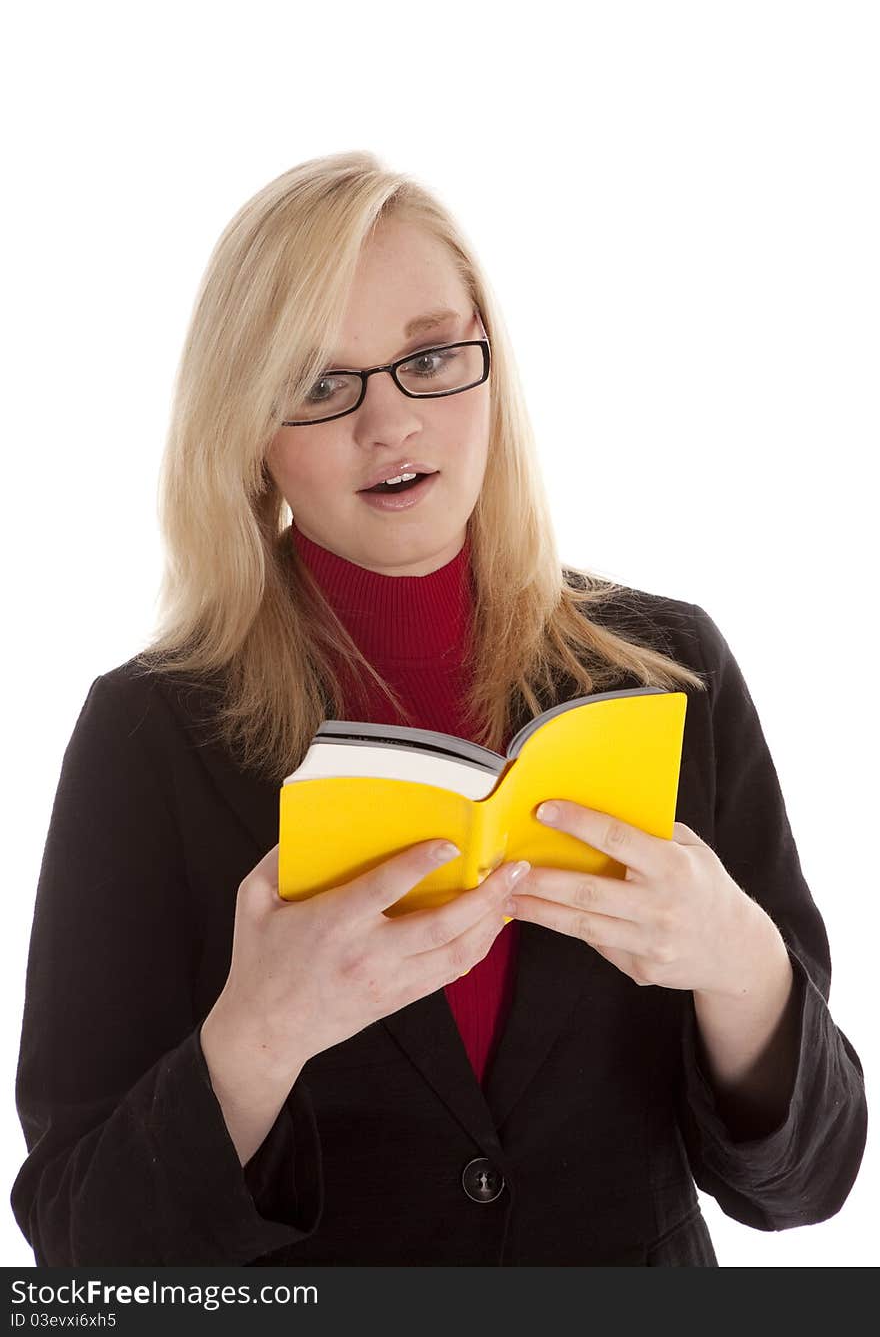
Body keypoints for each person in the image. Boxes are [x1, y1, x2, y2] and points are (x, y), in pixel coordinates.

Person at [11, 152, 867, 1267]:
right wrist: (259, 1034)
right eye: (321, 384)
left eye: (428, 357)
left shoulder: (672, 667)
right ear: (249, 431)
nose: (392, 424)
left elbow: (810, 1184)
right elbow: (85, 1253)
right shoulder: (146, 732)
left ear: (489, 370)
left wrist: (740, 962)